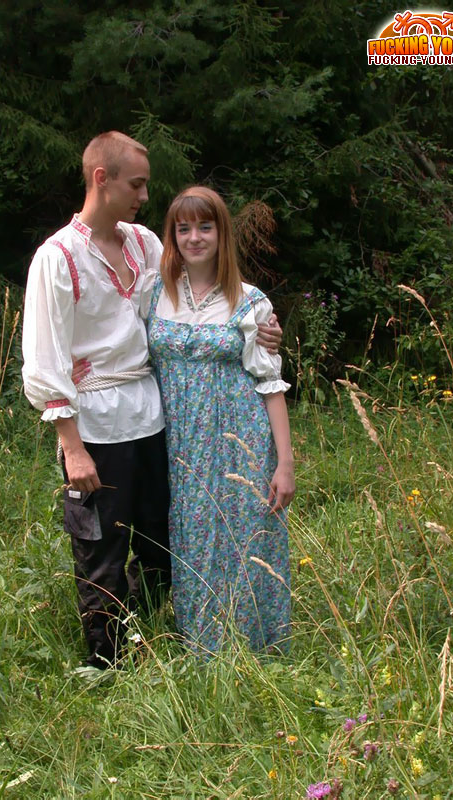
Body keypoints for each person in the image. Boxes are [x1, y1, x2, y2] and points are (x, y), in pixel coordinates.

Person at [22, 132, 282, 669]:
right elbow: (45, 358)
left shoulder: (142, 243)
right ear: (103, 179)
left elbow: (202, 289)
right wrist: (71, 446)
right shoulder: (58, 257)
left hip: (156, 416)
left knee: (162, 539)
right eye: (137, 184)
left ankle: (160, 634)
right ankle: (107, 663)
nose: (145, 195)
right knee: (102, 547)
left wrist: (262, 327)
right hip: (96, 424)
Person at [143, 186, 294, 655]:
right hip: (178, 443)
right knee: (191, 537)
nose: (194, 237)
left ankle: (256, 648)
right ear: (172, 236)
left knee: (246, 535)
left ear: (221, 233)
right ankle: (203, 648)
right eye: (183, 228)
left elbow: (271, 384)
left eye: (205, 227)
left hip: (239, 438)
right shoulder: (155, 293)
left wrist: (285, 463)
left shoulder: (249, 302)